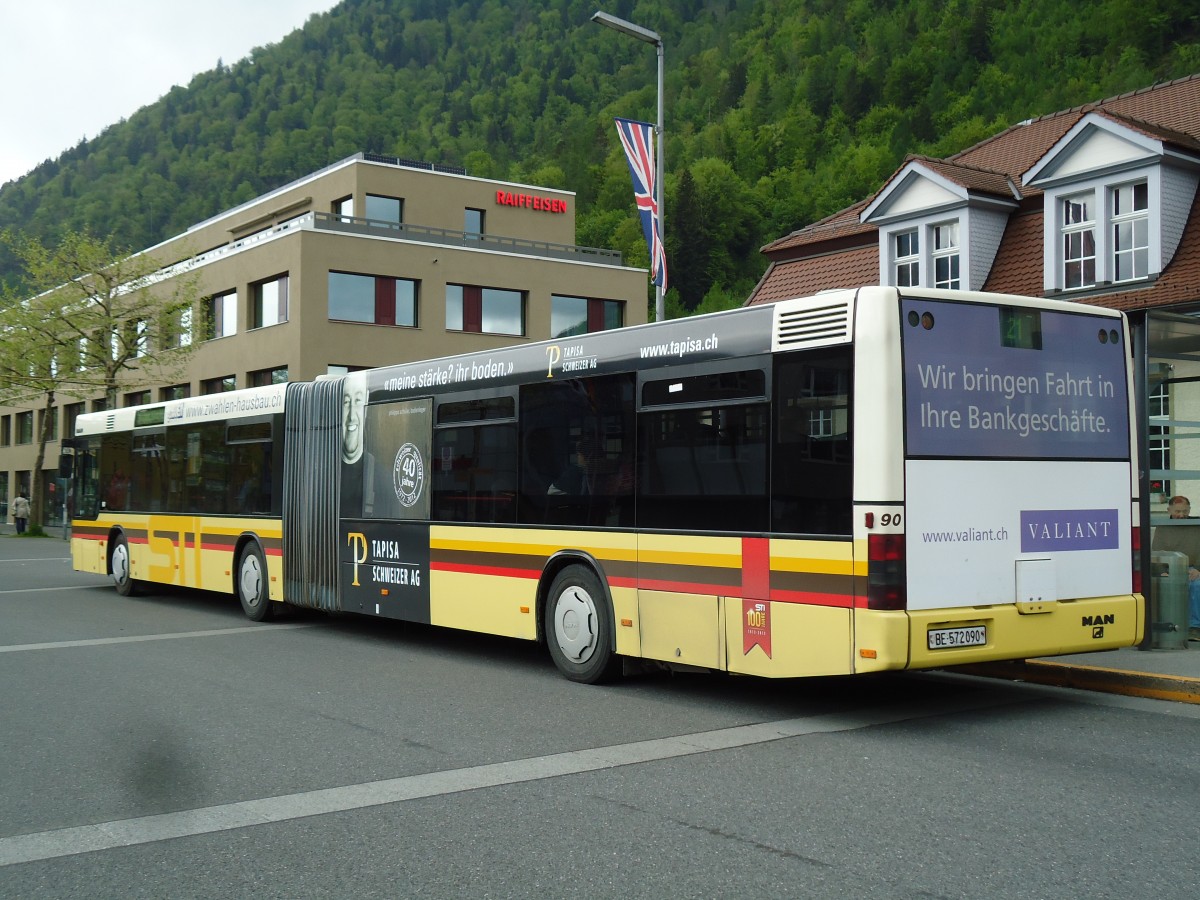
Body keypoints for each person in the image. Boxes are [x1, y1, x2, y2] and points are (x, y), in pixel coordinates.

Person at [1152, 494, 1200, 640]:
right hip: (1170, 568)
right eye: (1177, 511)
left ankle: (1194, 627)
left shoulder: (1196, 525)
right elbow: (1157, 553)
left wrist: (1198, 569)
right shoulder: (1163, 527)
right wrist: (1167, 571)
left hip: (1194, 568)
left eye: (1185, 511)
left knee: (1196, 585)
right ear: (1169, 510)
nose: (1181, 515)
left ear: (1189, 510)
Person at [341, 371, 367, 465]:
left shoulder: (379, 471)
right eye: (346, 402)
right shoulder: (326, 466)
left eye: (358, 400)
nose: (351, 416)